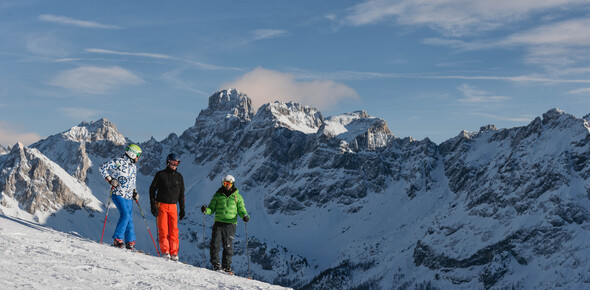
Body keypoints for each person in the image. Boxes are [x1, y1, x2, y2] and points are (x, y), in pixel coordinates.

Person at [201, 174, 250, 273]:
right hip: (218, 222)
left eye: (229, 183)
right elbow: (212, 208)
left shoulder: (237, 197)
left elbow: (241, 209)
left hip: (230, 224)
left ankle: (226, 266)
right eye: (225, 183)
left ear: (233, 184)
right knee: (215, 244)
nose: (227, 185)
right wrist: (206, 210)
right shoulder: (217, 195)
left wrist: (245, 216)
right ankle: (216, 264)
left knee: (228, 246)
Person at [99, 143, 142, 250]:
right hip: (118, 194)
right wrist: (110, 179)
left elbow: (133, 181)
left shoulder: (133, 167)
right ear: (132, 154)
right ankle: (117, 239)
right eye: (138, 155)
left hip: (128, 196)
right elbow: (102, 168)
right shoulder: (118, 162)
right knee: (125, 216)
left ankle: (130, 242)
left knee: (130, 219)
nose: (138, 158)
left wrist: (134, 192)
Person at [149, 153, 185, 261]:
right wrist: (153, 205)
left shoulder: (179, 177)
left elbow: (181, 194)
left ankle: (174, 253)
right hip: (162, 205)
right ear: (168, 162)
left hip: (173, 206)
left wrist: (182, 209)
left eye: (177, 163)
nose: (174, 165)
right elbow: (152, 190)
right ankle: (165, 251)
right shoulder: (161, 174)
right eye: (172, 163)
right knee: (163, 230)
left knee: (174, 231)